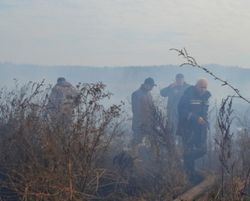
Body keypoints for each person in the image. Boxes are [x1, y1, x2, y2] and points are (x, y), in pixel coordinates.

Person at [177, 78, 211, 183]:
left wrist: (206, 122)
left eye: (205, 87)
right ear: (196, 86)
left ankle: (186, 161)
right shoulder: (188, 94)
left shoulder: (206, 96)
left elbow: (204, 113)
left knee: (203, 150)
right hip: (187, 128)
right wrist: (195, 118)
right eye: (202, 87)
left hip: (199, 129)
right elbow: (181, 110)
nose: (203, 89)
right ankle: (189, 177)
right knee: (189, 150)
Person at [131, 77, 156, 147]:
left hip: (149, 124)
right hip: (139, 124)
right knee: (137, 142)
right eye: (151, 86)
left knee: (149, 144)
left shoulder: (149, 94)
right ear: (146, 85)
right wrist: (141, 123)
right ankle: (133, 156)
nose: (152, 88)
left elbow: (152, 108)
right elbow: (136, 110)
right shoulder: (136, 94)